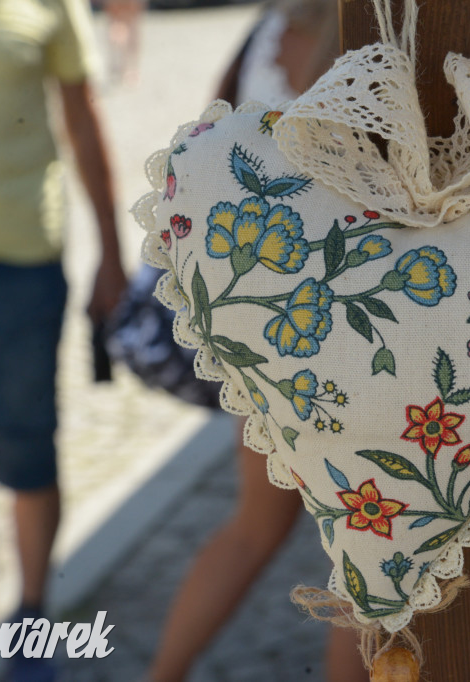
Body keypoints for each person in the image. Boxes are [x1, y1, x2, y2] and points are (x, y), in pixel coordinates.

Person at [146, 3, 367, 680]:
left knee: (277, 538)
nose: (275, 59)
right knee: (365, 567)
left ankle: (162, 674)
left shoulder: (284, 42)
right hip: (326, 333)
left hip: (280, 334)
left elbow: (207, 130)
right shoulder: (331, 52)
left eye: (288, 44)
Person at [0, 0, 126, 679]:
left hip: (19, 265)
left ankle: (31, 616)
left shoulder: (48, 5)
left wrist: (111, 254)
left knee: (26, 443)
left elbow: (82, 122)